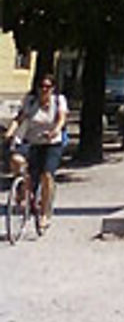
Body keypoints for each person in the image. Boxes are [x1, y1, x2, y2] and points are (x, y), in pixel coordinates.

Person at [2, 74, 67, 229]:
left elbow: (61, 119)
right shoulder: (31, 101)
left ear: (53, 89)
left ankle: (45, 213)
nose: (44, 90)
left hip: (52, 143)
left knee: (47, 176)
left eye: (47, 87)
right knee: (17, 160)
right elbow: (19, 118)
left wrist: (54, 131)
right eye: (41, 86)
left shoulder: (59, 101)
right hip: (31, 142)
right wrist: (9, 133)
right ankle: (23, 189)